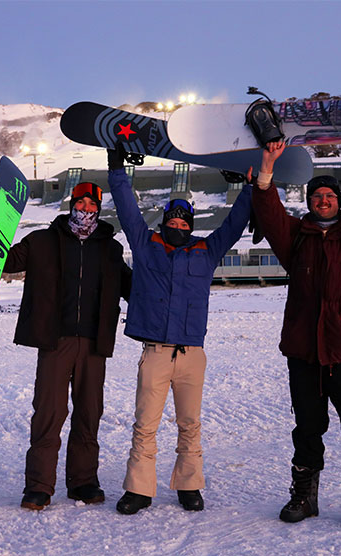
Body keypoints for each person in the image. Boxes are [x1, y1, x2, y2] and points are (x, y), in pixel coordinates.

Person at [251, 139, 341, 527]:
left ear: (338, 201)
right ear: (309, 202)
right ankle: (305, 496)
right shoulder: (295, 238)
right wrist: (267, 166)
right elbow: (268, 214)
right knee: (307, 428)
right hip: (303, 352)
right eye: (316, 195)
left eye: (329, 195)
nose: (322, 200)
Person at [106, 144, 252, 515]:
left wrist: (251, 187)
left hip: (191, 356)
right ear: (164, 223)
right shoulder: (145, 245)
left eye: (183, 224)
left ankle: (189, 485)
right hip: (155, 352)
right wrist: (117, 170)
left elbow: (234, 224)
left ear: (191, 227)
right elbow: (126, 209)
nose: (177, 227)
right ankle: (139, 490)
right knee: (146, 425)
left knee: (190, 424)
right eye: (172, 222)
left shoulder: (205, 251)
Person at [0, 182, 132, 510]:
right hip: (54, 341)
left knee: (89, 414)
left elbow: (134, 288)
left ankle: (83, 482)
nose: (85, 209)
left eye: (91, 204)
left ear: (98, 208)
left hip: (93, 345)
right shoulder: (43, 240)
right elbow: (5, 260)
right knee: (49, 413)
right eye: (80, 202)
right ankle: (39, 486)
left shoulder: (110, 249)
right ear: (71, 204)